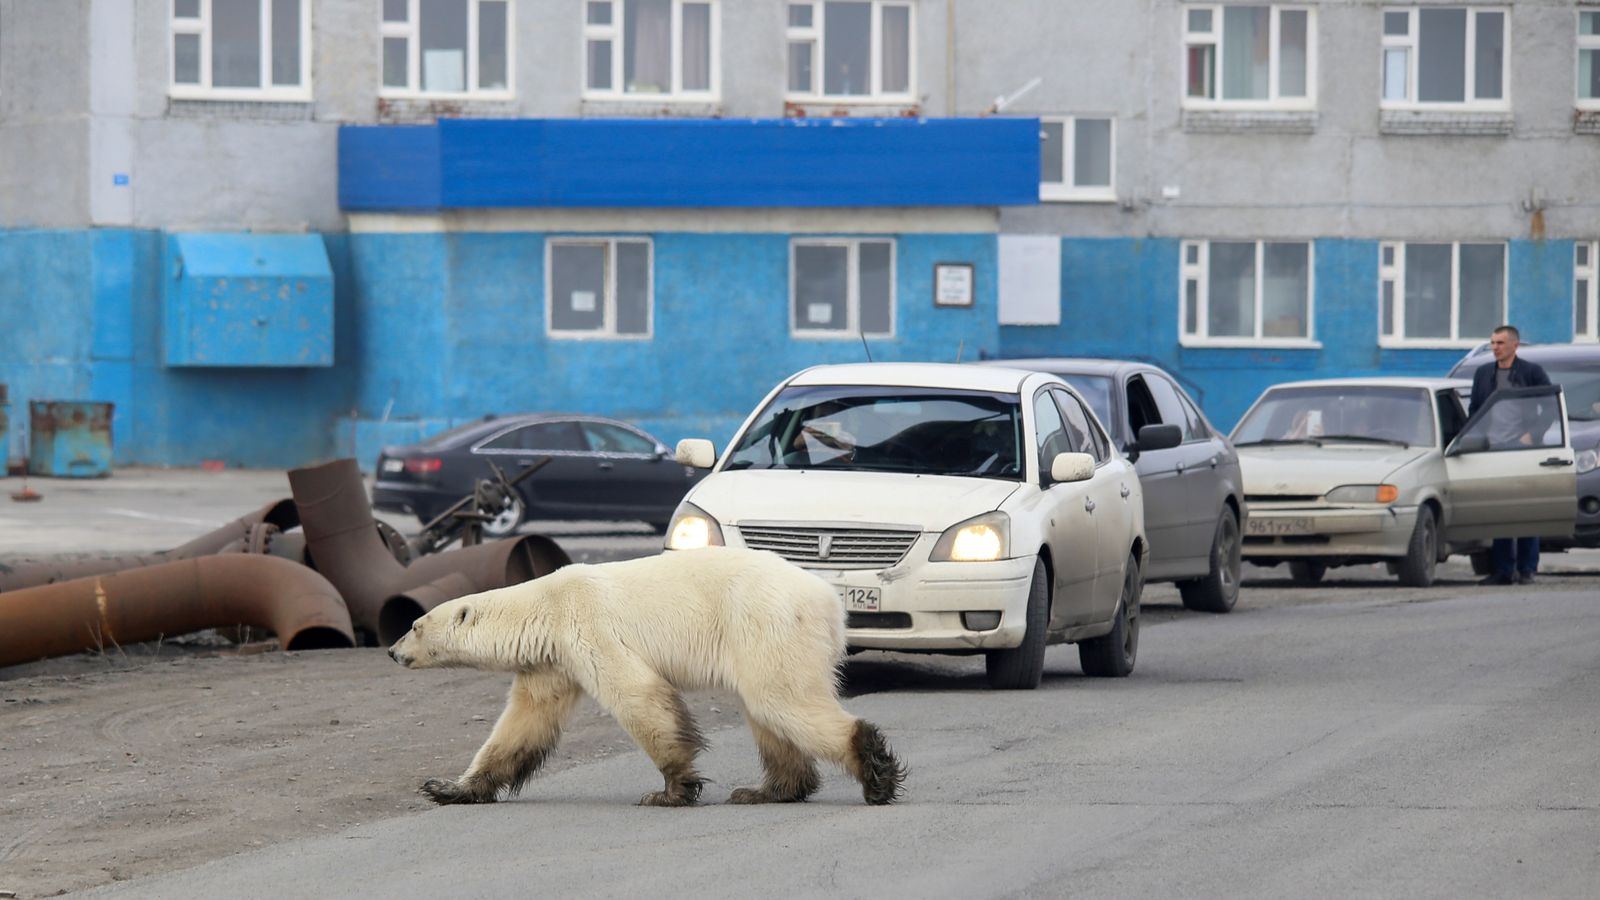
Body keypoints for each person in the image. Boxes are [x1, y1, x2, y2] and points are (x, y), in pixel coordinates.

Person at [1468, 325, 1552, 586]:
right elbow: (1475, 409)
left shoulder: (1530, 372)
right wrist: (1473, 439)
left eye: (1500, 343)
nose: (1495, 347)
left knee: (1526, 510)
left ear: (1514, 345)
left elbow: (1549, 406)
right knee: (1500, 510)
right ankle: (1503, 570)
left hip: (1523, 449)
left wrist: (1531, 433)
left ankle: (1527, 569)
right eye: (1493, 342)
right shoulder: (1483, 373)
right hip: (1493, 449)